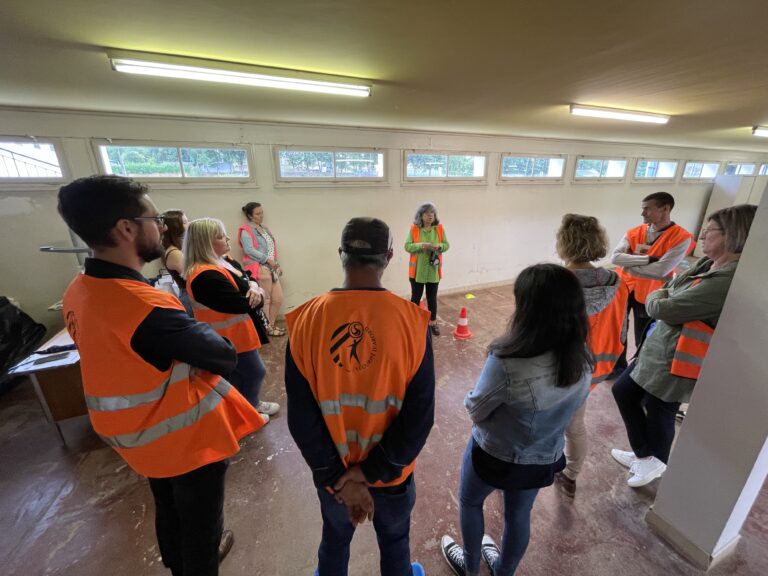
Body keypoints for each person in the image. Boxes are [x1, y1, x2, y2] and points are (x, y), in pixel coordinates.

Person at [58, 175, 265, 576]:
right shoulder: (143, 305)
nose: (163, 228)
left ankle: (177, 564)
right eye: (154, 219)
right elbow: (223, 355)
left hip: (134, 430)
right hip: (179, 434)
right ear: (126, 228)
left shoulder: (79, 288)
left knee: (169, 507)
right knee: (200, 526)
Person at [285, 217, 435, 576]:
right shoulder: (413, 323)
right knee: (395, 542)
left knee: (334, 541)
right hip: (392, 476)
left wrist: (342, 478)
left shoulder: (305, 321)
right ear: (390, 256)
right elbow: (419, 418)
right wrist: (370, 473)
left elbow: (301, 419)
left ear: (341, 253)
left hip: (333, 479)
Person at [441, 263, 591, 576]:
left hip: (494, 456)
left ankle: (470, 568)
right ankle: (503, 571)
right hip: (542, 458)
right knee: (519, 515)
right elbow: (573, 411)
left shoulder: (508, 361)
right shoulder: (583, 361)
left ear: (529, 309)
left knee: (470, 502)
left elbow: (476, 409)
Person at [610, 204, 757, 488]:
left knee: (659, 407)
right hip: (659, 348)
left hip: (677, 358)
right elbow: (670, 289)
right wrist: (665, 293)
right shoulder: (707, 264)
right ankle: (645, 455)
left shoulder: (727, 280)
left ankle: (655, 462)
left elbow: (664, 307)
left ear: (732, 235)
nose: (702, 235)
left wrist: (659, 295)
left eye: (710, 230)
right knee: (624, 391)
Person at [552, 214, 629, 497]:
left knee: (539, 423)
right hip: (596, 368)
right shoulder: (617, 282)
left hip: (558, 369)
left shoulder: (555, 283)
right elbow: (622, 330)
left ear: (564, 242)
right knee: (574, 425)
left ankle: (529, 469)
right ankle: (571, 474)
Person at [184, 218, 279, 419]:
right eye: (220, 236)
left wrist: (254, 287)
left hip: (239, 334)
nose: (227, 238)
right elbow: (241, 304)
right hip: (226, 337)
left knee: (242, 374)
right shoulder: (204, 276)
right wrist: (260, 294)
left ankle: (248, 406)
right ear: (205, 243)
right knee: (254, 372)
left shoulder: (224, 260)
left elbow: (248, 277)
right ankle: (247, 411)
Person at [610, 192, 693, 374]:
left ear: (665, 209)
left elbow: (661, 271)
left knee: (643, 335)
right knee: (618, 330)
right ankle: (618, 367)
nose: (642, 213)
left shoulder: (681, 238)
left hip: (650, 295)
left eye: (647, 209)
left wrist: (629, 265)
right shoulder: (635, 232)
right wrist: (648, 259)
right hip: (623, 289)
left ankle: (638, 370)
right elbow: (615, 258)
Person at [238, 202, 285, 336]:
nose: (261, 216)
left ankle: (270, 325)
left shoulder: (265, 229)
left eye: (262, 212)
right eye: (258, 214)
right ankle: (267, 328)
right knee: (267, 299)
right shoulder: (246, 230)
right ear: (250, 216)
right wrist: (267, 260)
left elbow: (271, 250)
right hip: (260, 267)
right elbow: (249, 250)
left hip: (271, 268)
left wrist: (276, 265)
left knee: (278, 298)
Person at [405, 202, 449, 336]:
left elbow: (446, 245)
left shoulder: (439, 229)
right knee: (415, 298)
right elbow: (407, 246)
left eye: (432, 213)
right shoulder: (414, 229)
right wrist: (422, 245)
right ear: (421, 215)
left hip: (433, 271)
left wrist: (438, 246)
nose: (430, 215)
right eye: (427, 213)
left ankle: (433, 322)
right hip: (417, 272)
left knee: (432, 298)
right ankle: (413, 323)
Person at [161, 209, 193, 315]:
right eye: (185, 222)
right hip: (189, 295)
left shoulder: (179, 248)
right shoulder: (174, 252)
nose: (189, 224)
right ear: (175, 228)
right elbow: (192, 275)